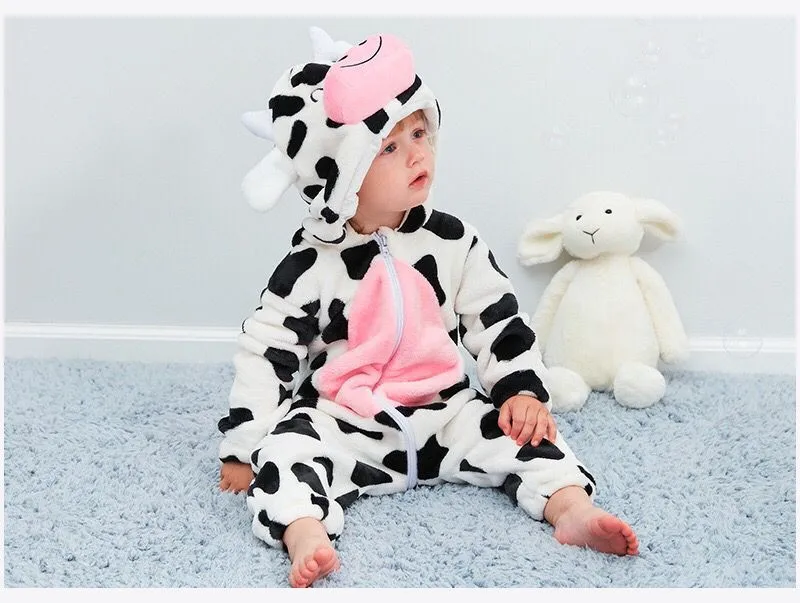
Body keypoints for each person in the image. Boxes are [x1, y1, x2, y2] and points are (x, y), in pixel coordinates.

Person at [218, 26, 639, 588]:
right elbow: (268, 351)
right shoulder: (310, 265)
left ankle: (571, 510)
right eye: (389, 147)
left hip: (446, 410)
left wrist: (519, 391)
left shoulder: (452, 241)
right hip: (346, 421)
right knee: (285, 454)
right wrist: (245, 445)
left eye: (419, 131)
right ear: (340, 176)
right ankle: (305, 533)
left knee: (532, 438)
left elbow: (497, 318)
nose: (418, 152)